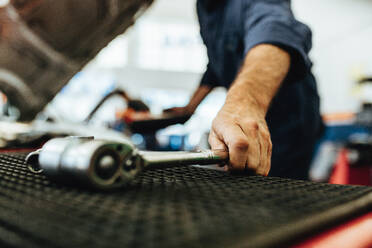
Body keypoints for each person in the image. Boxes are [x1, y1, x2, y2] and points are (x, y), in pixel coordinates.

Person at [165, 0, 323, 180]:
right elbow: (216, 64)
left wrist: (244, 105)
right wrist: (189, 108)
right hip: (249, 116)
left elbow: (276, 32)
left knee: (280, 189)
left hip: (288, 118)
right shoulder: (204, 7)